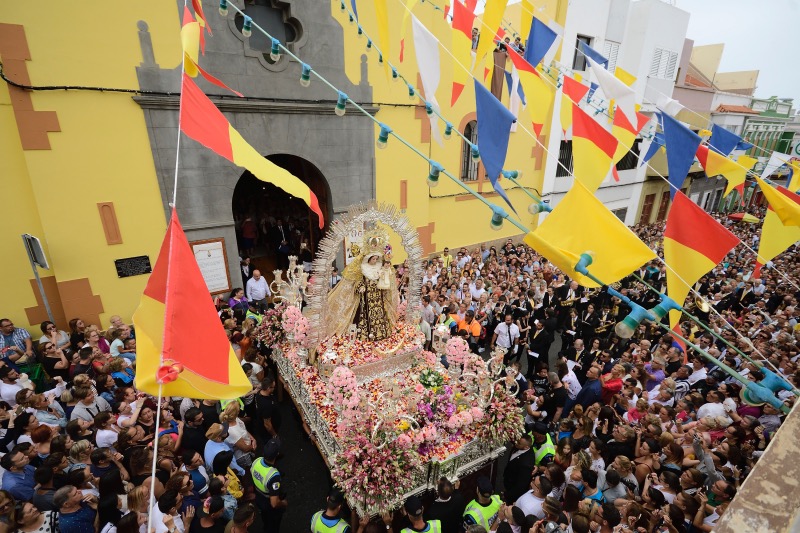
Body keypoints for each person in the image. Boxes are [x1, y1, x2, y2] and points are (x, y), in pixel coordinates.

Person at [323, 235, 399, 341]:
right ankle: (367, 334)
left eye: (376, 258)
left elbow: (384, 278)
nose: (375, 260)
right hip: (366, 298)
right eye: (373, 258)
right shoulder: (363, 269)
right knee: (366, 316)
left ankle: (381, 333)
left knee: (380, 316)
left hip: (378, 298)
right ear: (368, 259)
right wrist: (360, 286)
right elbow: (356, 282)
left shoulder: (379, 267)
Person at [251, 438, 286, 533]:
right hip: (268, 504)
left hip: (259, 498)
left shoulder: (256, 461)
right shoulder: (273, 475)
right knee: (273, 526)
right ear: (277, 454)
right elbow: (274, 503)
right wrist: (283, 503)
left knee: (265, 520)